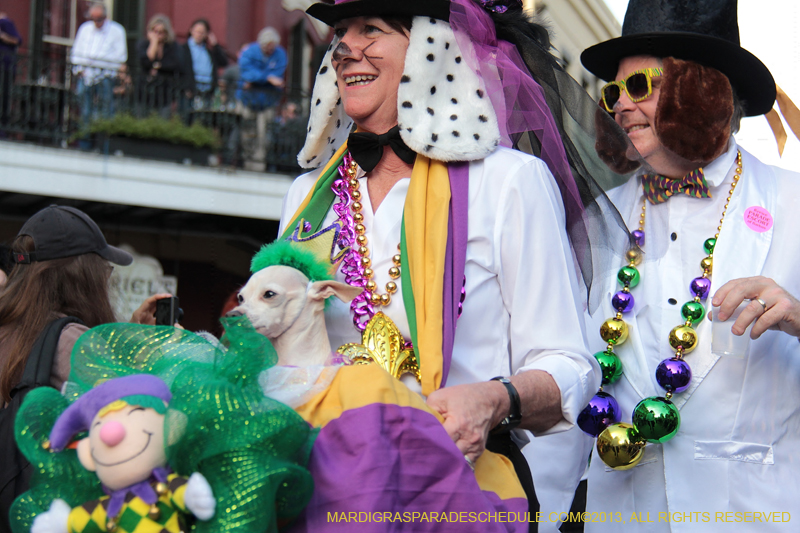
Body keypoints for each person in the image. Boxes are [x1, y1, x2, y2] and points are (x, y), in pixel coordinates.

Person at [276, 0, 639, 526]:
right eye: (340, 32)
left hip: (465, 494)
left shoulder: (508, 181)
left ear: (431, 47)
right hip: (326, 493)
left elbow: (571, 366)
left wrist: (495, 399)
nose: (346, 48)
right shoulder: (307, 197)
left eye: (371, 29)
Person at [577, 0, 800, 529]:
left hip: (752, 516)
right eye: (613, 92)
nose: (620, 108)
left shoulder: (794, 204)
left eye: (640, 87)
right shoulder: (595, 218)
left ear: (698, 90)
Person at [0, 205, 169, 405]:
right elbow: (128, 409)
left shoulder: (10, 327)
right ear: (85, 277)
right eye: (104, 271)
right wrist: (163, 356)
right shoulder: (69, 340)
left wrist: (125, 338)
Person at [70, 3, 127, 147]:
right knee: (85, 110)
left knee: (106, 110)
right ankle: (85, 143)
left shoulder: (117, 30)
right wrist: (80, 69)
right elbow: (77, 51)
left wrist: (105, 69)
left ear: (105, 17)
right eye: (93, 18)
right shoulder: (85, 29)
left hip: (105, 75)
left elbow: (120, 57)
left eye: (99, 19)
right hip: (86, 75)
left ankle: (104, 144)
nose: (96, 22)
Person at [237, 27, 287, 168]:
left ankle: (259, 165)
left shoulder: (280, 54)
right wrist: (267, 77)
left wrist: (256, 79)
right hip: (247, 100)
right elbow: (246, 73)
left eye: (272, 47)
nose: (269, 50)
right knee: (247, 133)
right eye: (266, 47)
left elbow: (278, 74)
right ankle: (247, 162)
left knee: (265, 135)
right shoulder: (249, 52)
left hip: (267, 102)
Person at [136, 14, 183, 116]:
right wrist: (154, 42)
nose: (158, 35)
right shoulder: (143, 44)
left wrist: (157, 66)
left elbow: (175, 64)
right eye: (155, 31)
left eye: (161, 32)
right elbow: (146, 61)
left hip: (165, 92)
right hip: (144, 91)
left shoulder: (173, 46)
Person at [180, 18, 229, 105]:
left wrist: (215, 45)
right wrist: (186, 87)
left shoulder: (208, 52)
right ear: (191, 31)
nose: (199, 35)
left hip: (207, 92)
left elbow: (223, 62)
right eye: (197, 31)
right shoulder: (183, 49)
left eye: (202, 32)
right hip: (190, 91)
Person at [0, 12, 21, 131]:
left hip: (5, 68)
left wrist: (3, 36)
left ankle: (3, 128)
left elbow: (17, 40)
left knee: (4, 97)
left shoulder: (5, 22)